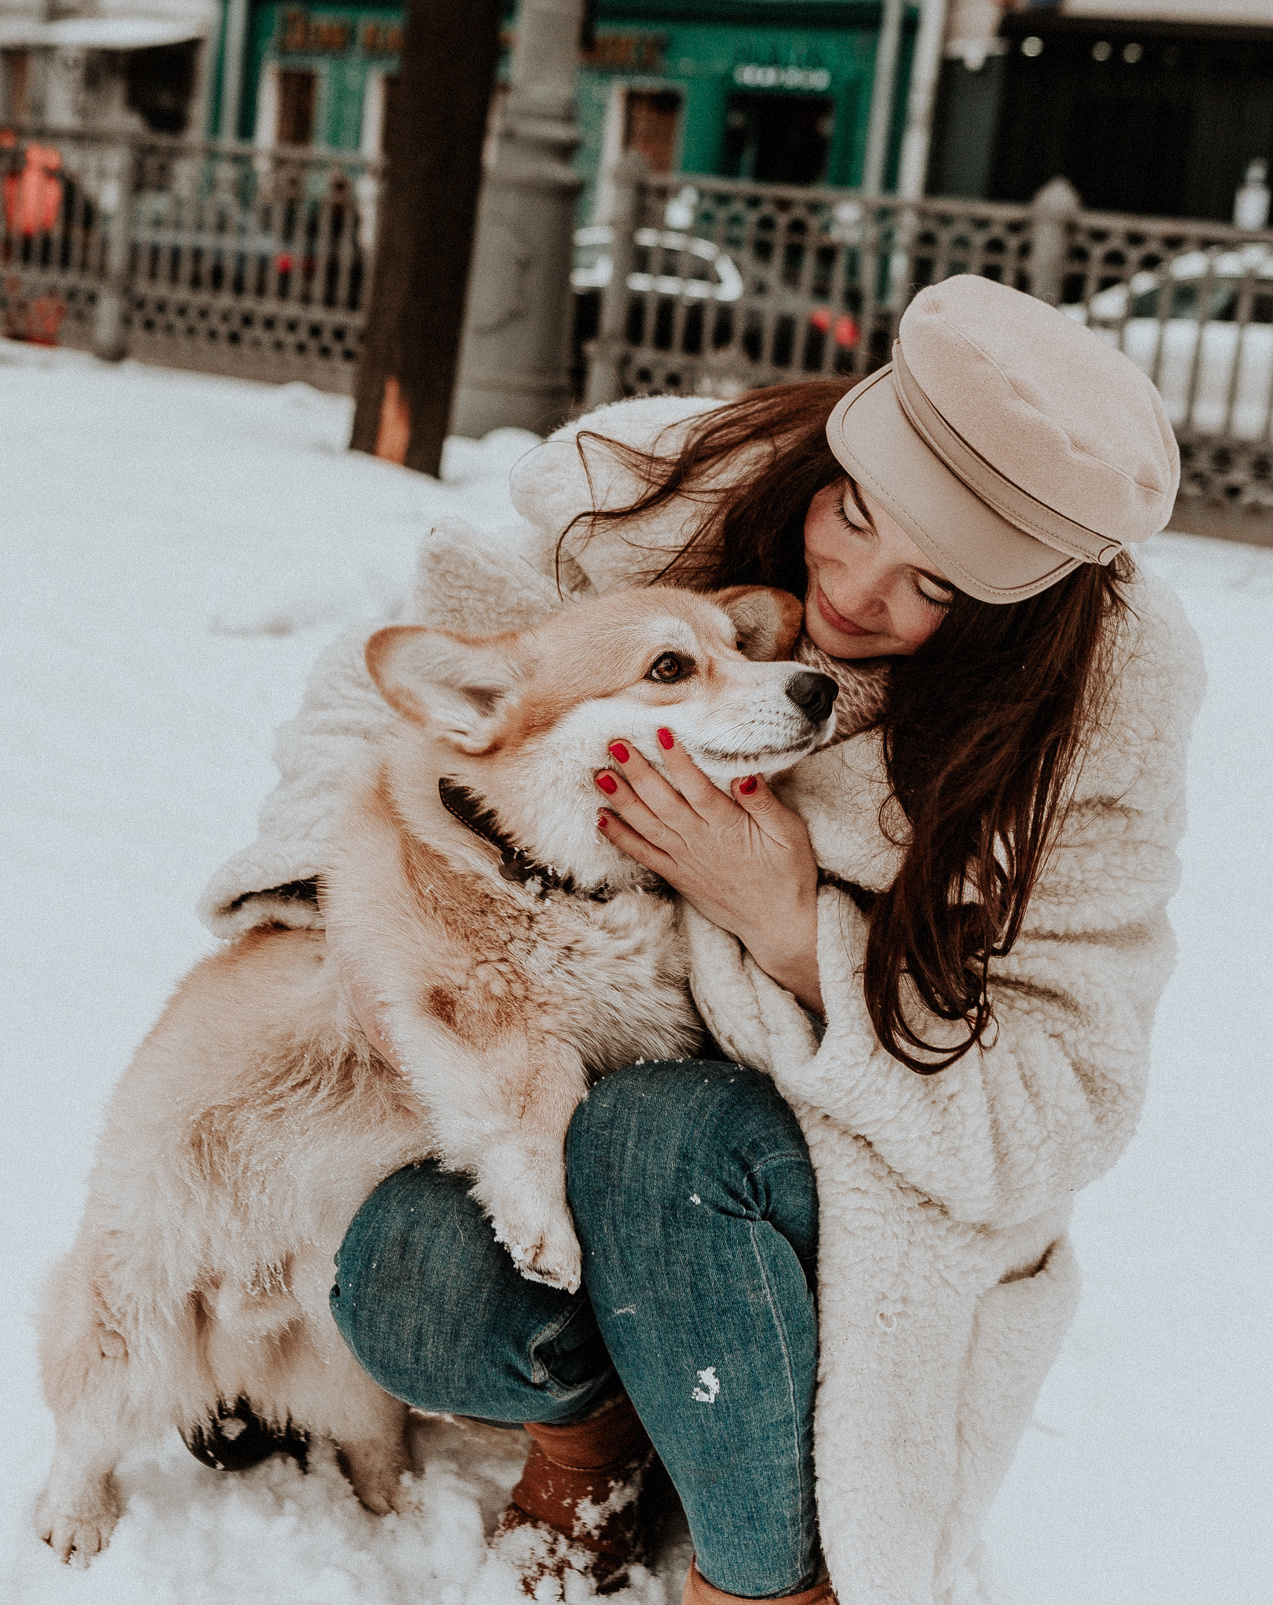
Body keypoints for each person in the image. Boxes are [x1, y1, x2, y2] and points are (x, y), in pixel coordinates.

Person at [199, 276, 1204, 1605]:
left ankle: (768, 1576)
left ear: (1011, 613)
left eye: (932, 588)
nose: (847, 588)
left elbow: (1059, 1101)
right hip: (567, 1067)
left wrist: (788, 927)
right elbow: (404, 679)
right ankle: (601, 1425)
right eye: (849, 512)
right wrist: (342, 922)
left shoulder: (1094, 712)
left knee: (656, 1141)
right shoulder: (669, 483)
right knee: (402, 1274)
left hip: (821, 1177)